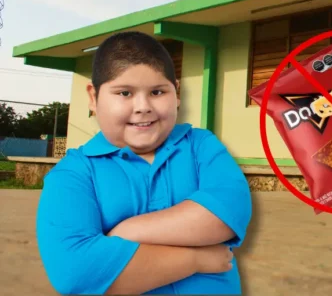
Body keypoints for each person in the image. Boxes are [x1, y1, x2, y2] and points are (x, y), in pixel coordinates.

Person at [35, 31, 253, 295]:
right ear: (93, 97)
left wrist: (126, 231)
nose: (143, 106)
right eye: (124, 92)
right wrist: (196, 260)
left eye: (158, 91)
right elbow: (75, 271)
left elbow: (229, 211)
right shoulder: (74, 174)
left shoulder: (200, 146)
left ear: (177, 92)